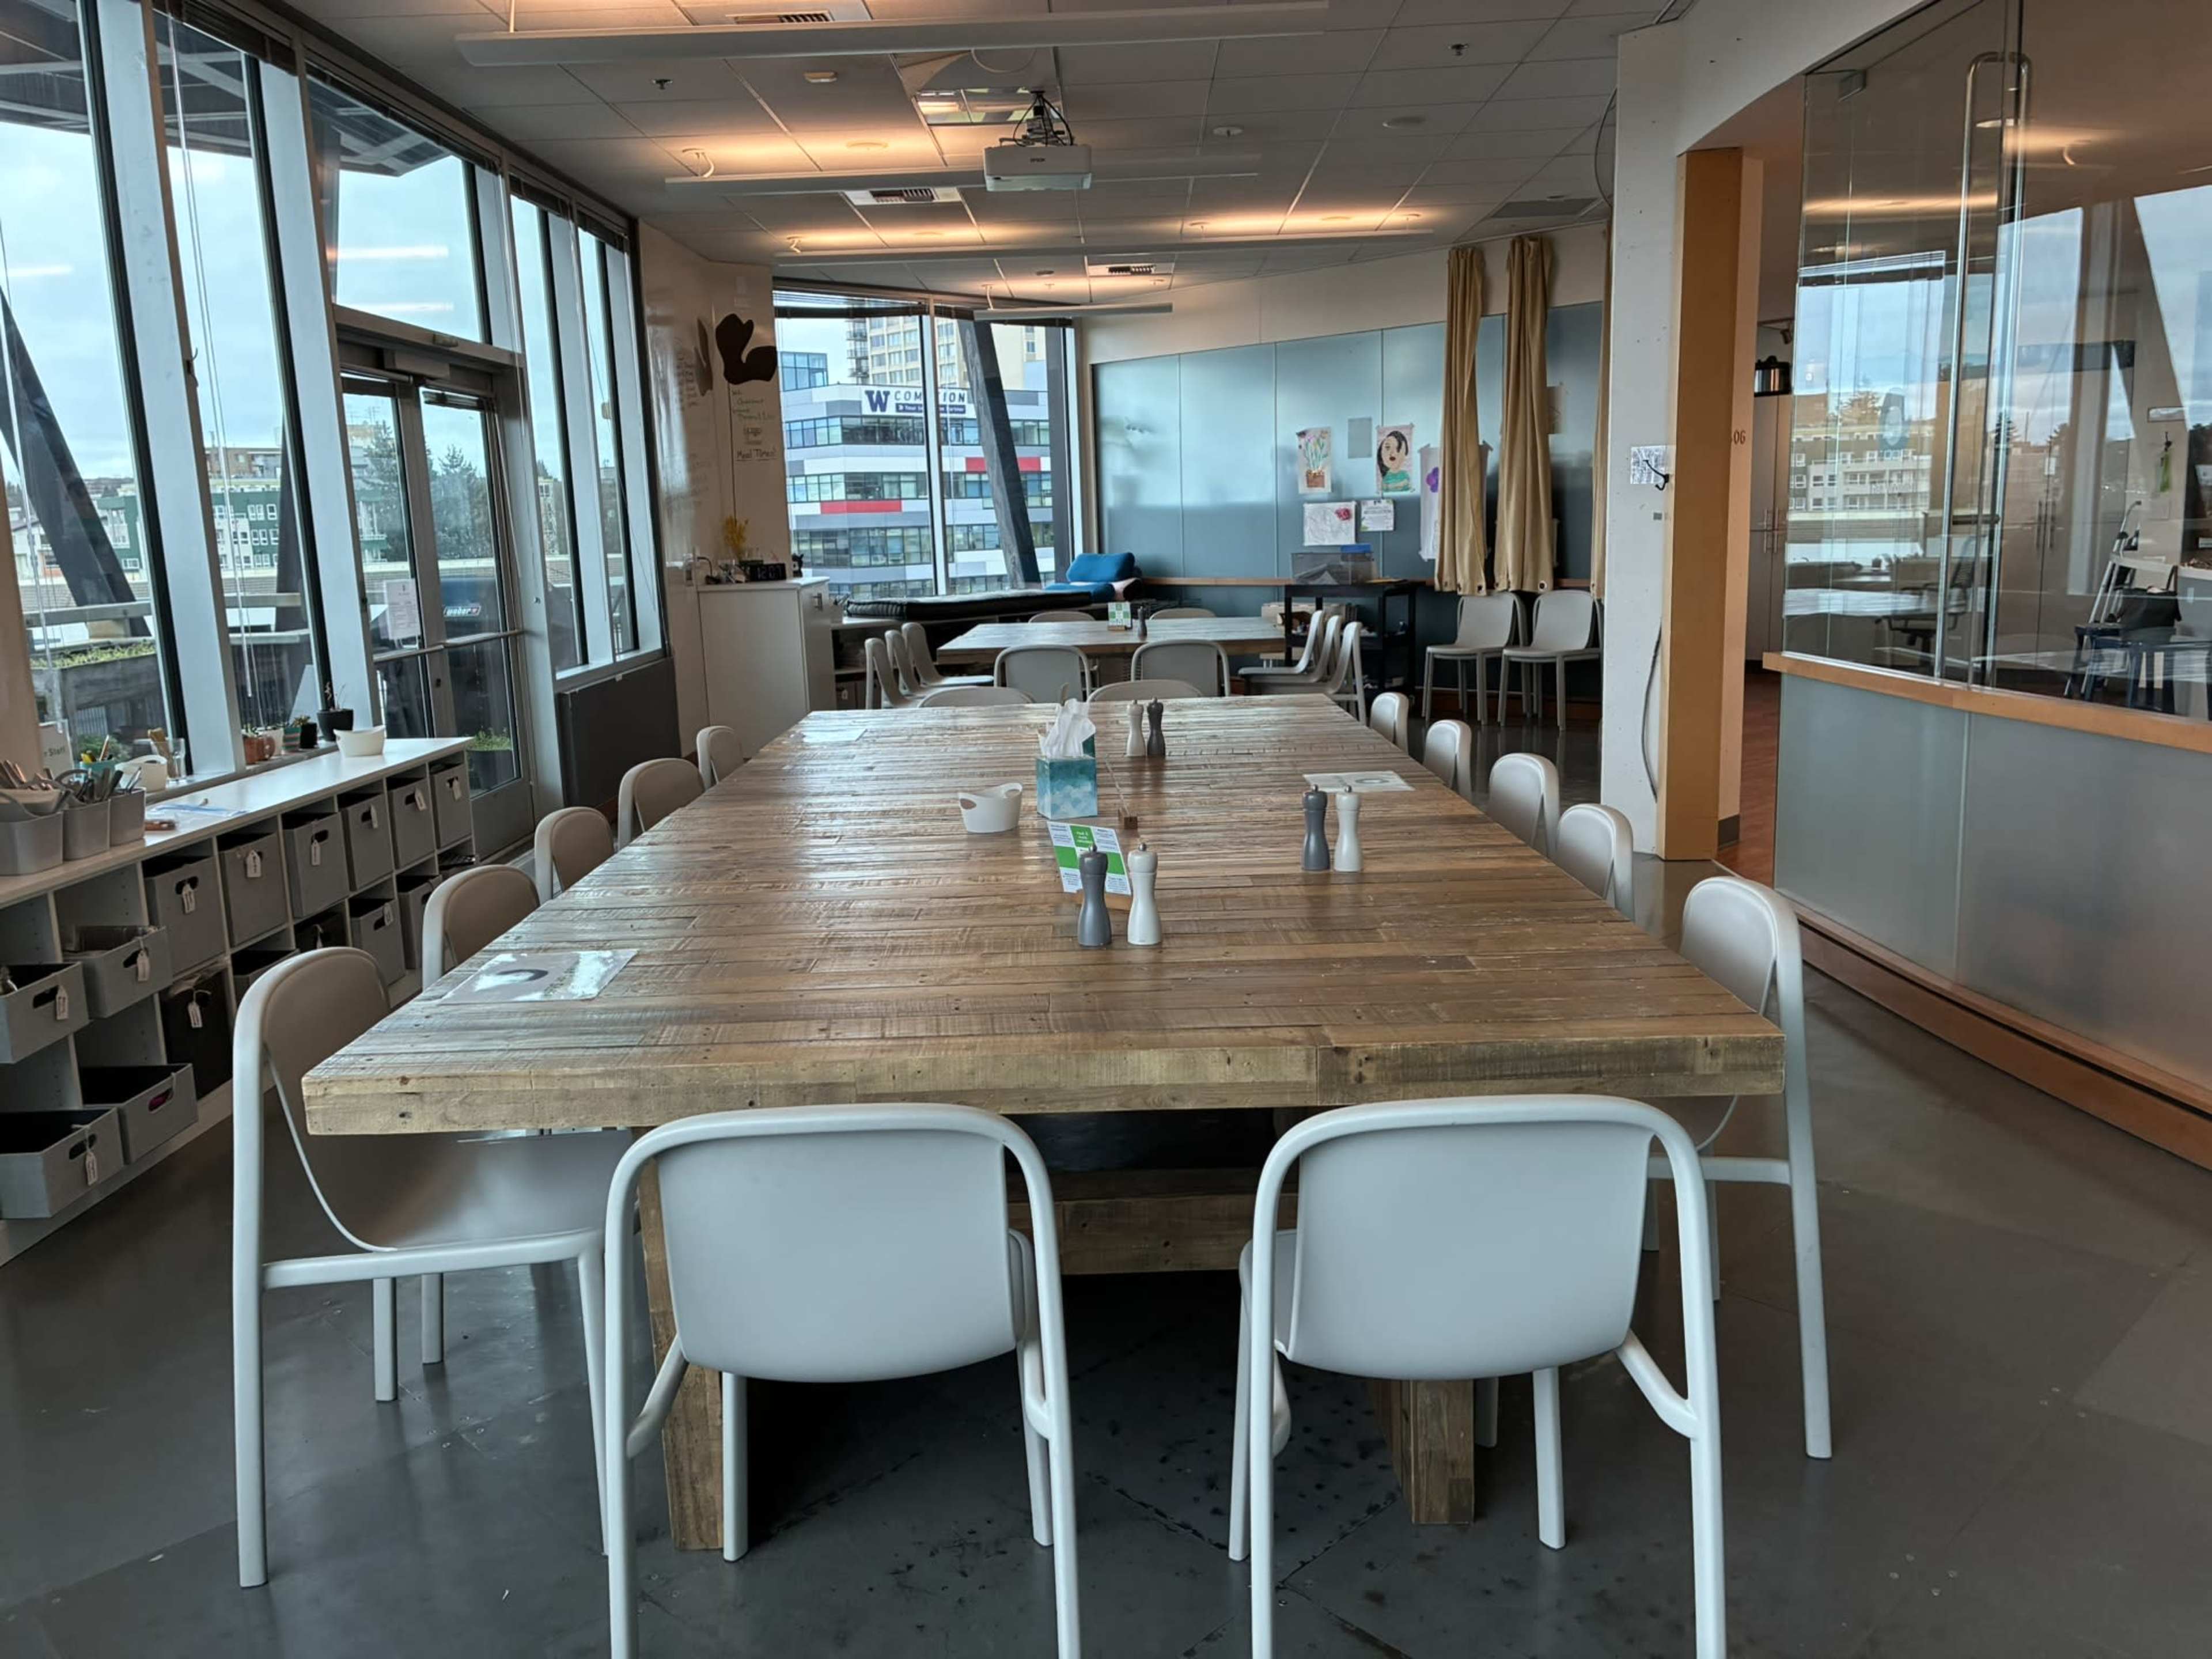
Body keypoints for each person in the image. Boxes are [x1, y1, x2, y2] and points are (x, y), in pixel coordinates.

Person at [1376, 427, 1412, 494]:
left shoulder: (1405, 475)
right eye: (1388, 447)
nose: (1393, 453)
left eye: (1398, 449)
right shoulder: (1386, 477)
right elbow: (1384, 488)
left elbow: (1409, 486)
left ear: (1405, 454)